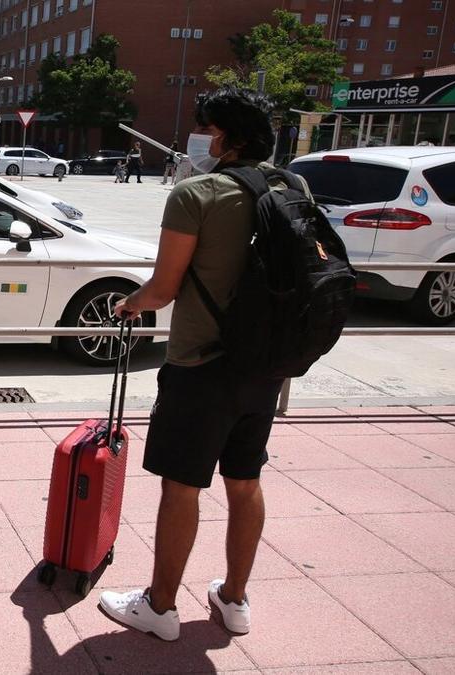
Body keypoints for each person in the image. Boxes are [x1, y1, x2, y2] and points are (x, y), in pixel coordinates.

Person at [99, 86, 286, 641]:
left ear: (226, 137)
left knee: (182, 487)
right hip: (266, 363)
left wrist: (129, 303)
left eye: (205, 126)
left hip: (202, 366)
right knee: (245, 480)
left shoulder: (197, 193)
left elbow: (162, 288)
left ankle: (159, 608)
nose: (199, 136)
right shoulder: (292, 186)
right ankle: (234, 599)